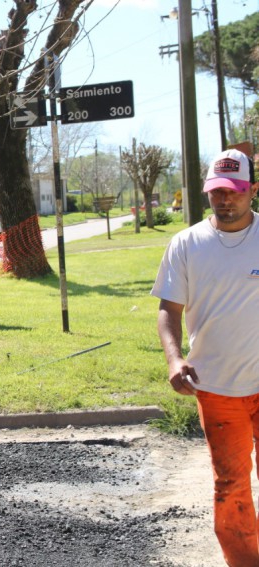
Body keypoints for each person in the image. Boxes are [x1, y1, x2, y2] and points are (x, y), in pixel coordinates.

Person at [152, 148, 259, 566]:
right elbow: (168, 311)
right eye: (216, 191)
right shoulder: (187, 244)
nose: (224, 199)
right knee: (231, 486)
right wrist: (174, 360)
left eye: (233, 191)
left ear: (252, 190)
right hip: (217, 389)